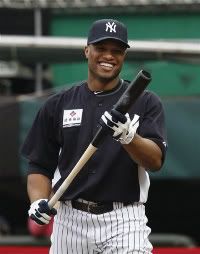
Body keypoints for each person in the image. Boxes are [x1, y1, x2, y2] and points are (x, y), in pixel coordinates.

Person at [21, 18, 167, 254]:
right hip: (70, 219)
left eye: (116, 51)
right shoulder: (58, 104)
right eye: (101, 49)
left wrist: (129, 137)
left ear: (124, 56)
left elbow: (155, 161)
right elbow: (39, 164)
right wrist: (37, 200)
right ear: (87, 50)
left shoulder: (146, 101)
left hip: (124, 218)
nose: (108, 56)